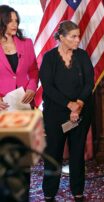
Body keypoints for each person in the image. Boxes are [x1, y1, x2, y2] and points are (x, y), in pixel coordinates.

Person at [40, 21, 94, 202]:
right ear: (61, 38)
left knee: (77, 153)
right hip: (56, 113)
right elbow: (48, 87)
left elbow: (89, 83)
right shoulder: (49, 58)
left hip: (81, 112)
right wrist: (69, 105)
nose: (78, 39)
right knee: (53, 154)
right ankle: (49, 194)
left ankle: (78, 193)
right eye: (73, 36)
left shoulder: (83, 56)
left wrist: (78, 104)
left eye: (78, 36)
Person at [0, 5, 39, 202]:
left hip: (23, 107)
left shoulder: (26, 43)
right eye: (10, 20)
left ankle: (23, 196)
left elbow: (33, 70)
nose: (14, 24)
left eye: (16, 20)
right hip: (3, 109)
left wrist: (32, 87)